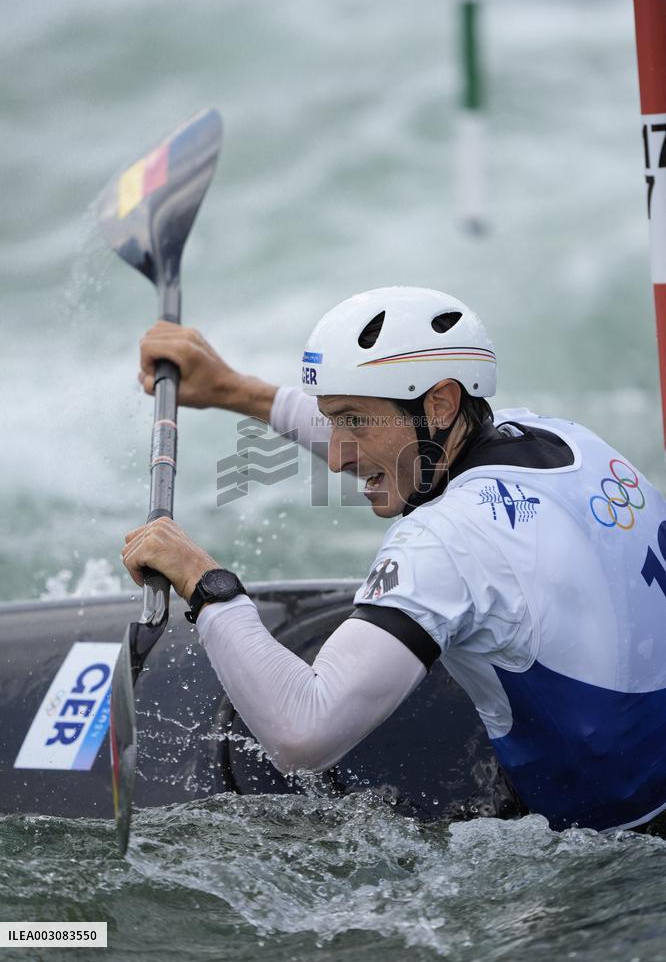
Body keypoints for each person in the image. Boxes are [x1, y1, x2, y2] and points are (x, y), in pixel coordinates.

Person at [122, 286, 666, 834]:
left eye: (353, 421)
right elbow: (393, 437)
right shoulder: (564, 440)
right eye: (332, 420)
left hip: (621, 859)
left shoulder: (447, 540)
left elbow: (303, 734)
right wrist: (233, 390)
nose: (336, 458)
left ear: (441, 404)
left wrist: (205, 583)